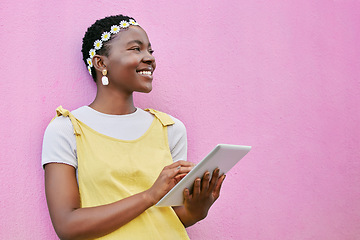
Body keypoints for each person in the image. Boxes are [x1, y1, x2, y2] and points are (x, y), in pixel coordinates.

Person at [42, 14, 225, 240]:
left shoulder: (170, 128)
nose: (149, 58)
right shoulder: (67, 129)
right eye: (135, 49)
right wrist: (149, 196)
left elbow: (172, 217)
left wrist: (199, 208)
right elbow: (67, 226)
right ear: (101, 63)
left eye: (150, 51)